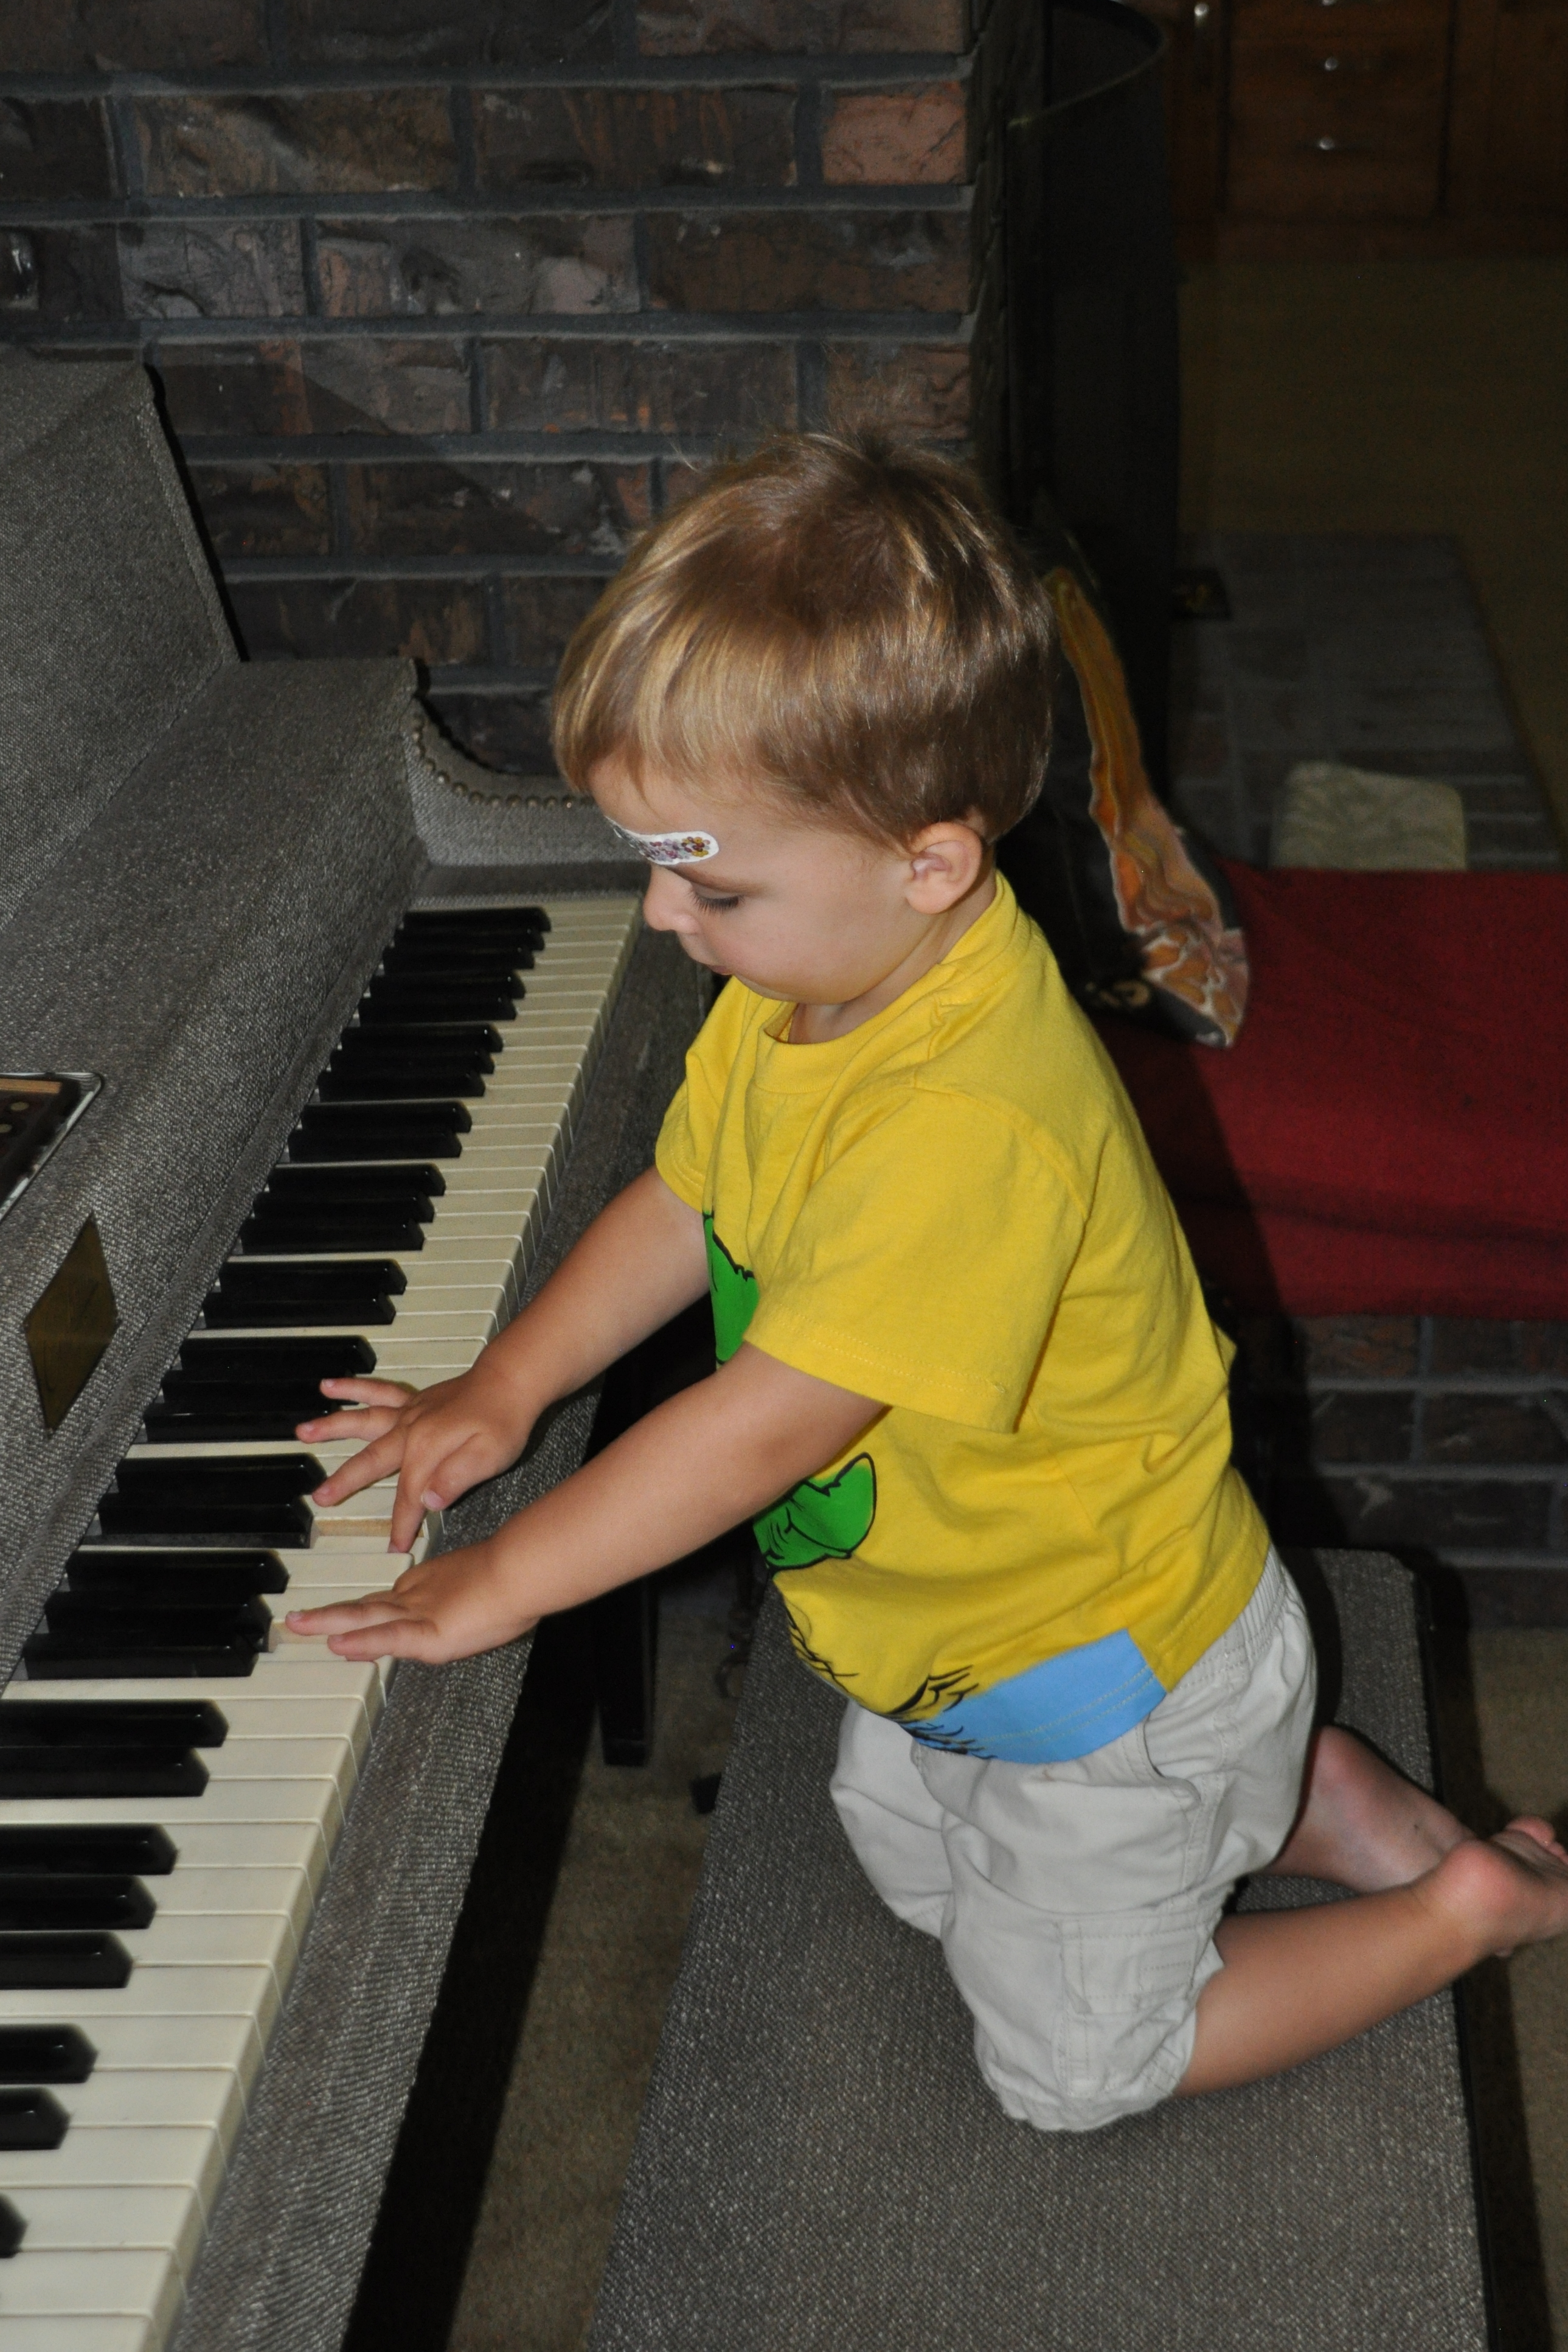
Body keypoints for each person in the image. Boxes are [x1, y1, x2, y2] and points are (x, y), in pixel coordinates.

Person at [288, 433, 1568, 2132]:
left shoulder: (967, 1128)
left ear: (931, 863)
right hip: (962, 1631)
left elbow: (766, 1429)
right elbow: (689, 1193)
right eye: (656, 863)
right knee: (913, 1872)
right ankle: (1285, 1793)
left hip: (1105, 1678)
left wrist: (510, 1578)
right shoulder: (814, 985)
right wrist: (509, 1384)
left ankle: (1456, 1908)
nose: (662, 919)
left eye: (708, 878)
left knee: (1070, 2070)